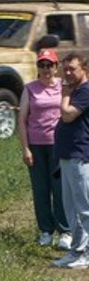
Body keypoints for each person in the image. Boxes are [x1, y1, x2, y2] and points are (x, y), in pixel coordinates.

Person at [18, 47, 71, 248]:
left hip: (59, 145)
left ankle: (65, 231)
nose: (46, 68)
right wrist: (26, 149)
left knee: (60, 189)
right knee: (41, 189)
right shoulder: (30, 89)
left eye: (50, 65)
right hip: (37, 145)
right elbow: (22, 120)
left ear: (56, 67)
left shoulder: (63, 86)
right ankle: (45, 231)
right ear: (38, 67)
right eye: (42, 65)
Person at [53, 52, 89, 268]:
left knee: (84, 207)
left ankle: (86, 253)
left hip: (79, 154)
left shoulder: (84, 91)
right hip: (66, 154)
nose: (67, 73)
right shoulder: (75, 90)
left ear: (84, 69)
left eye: (72, 69)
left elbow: (67, 115)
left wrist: (65, 94)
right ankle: (76, 251)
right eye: (65, 69)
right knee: (70, 208)